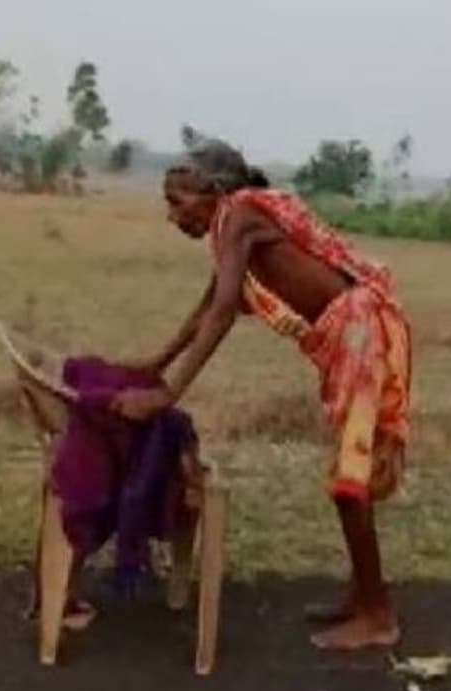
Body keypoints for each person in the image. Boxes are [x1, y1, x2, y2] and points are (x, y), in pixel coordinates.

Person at [110, 139, 412, 651]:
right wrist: (155, 365)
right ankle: (363, 596)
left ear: (214, 191)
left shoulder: (240, 214)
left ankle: (378, 615)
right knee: (351, 478)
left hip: (361, 334)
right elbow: (208, 308)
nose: (171, 215)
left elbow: (225, 312)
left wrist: (166, 397)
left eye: (178, 201)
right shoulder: (232, 227)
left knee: (349, 482)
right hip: (353, 337)